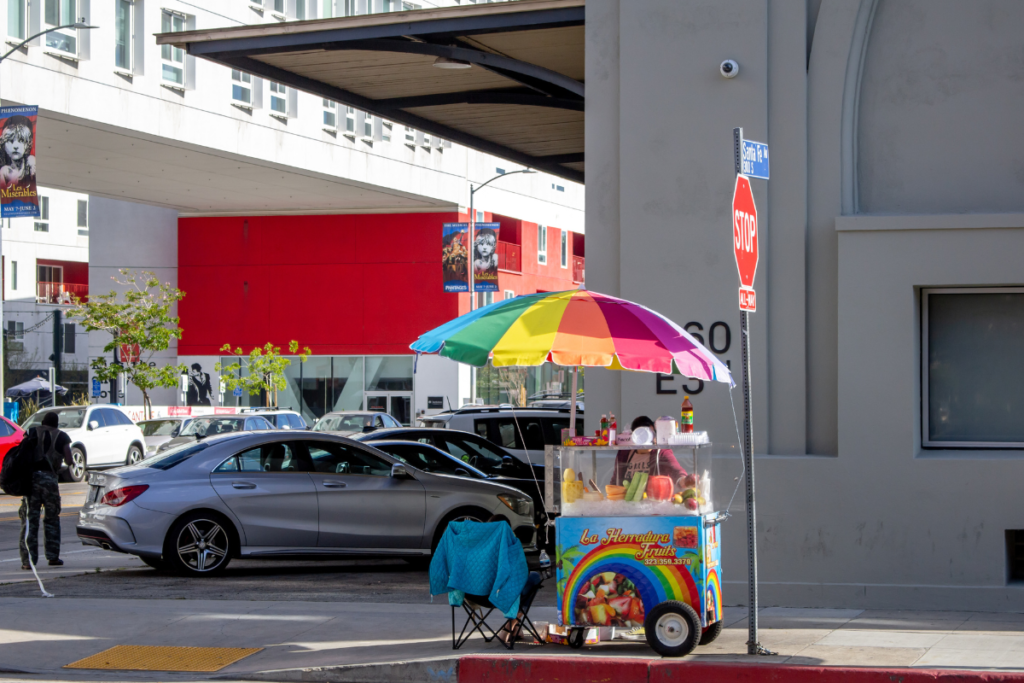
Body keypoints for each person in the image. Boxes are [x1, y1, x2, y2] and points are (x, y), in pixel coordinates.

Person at [19, 411, 73, 570]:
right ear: (57, 424)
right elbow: (69, 460)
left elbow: (22, 453)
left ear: (42, 422)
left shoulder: (31, 432)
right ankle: (53, 557)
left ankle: (28, 561)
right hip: (50, 481)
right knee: (52, 519)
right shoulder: (62, 436)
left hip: (31, 481)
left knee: (30, 521)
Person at [612, 415, 687, 486]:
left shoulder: (661, 452)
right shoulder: (625, 452)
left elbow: (676, 470)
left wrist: (684, 480)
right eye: (642, 436)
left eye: (652, 434)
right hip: (627, 498)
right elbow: (616, 478)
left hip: (654, 497)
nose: (650, 440)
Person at [0, 115, 36, 191]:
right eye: (10, 141)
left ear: (27, 144)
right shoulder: (4, 171)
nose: (15, 146)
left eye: (21, 141)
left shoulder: (30, 162)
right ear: (3, 144)